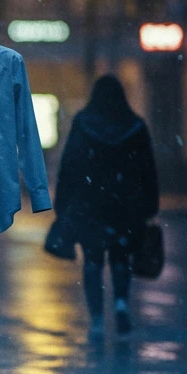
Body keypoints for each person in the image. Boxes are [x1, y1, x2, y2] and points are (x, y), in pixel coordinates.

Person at [54, 75, 159, 337]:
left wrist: (63, 202)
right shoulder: (135, 126)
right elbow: (147, 169)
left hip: (91, 203)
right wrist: (149, 204)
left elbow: (70, 165)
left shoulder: (83, 124)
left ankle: (97, 319)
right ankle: (121, 302)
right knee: (121, 256)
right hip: (125, 205)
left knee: (93, 259)